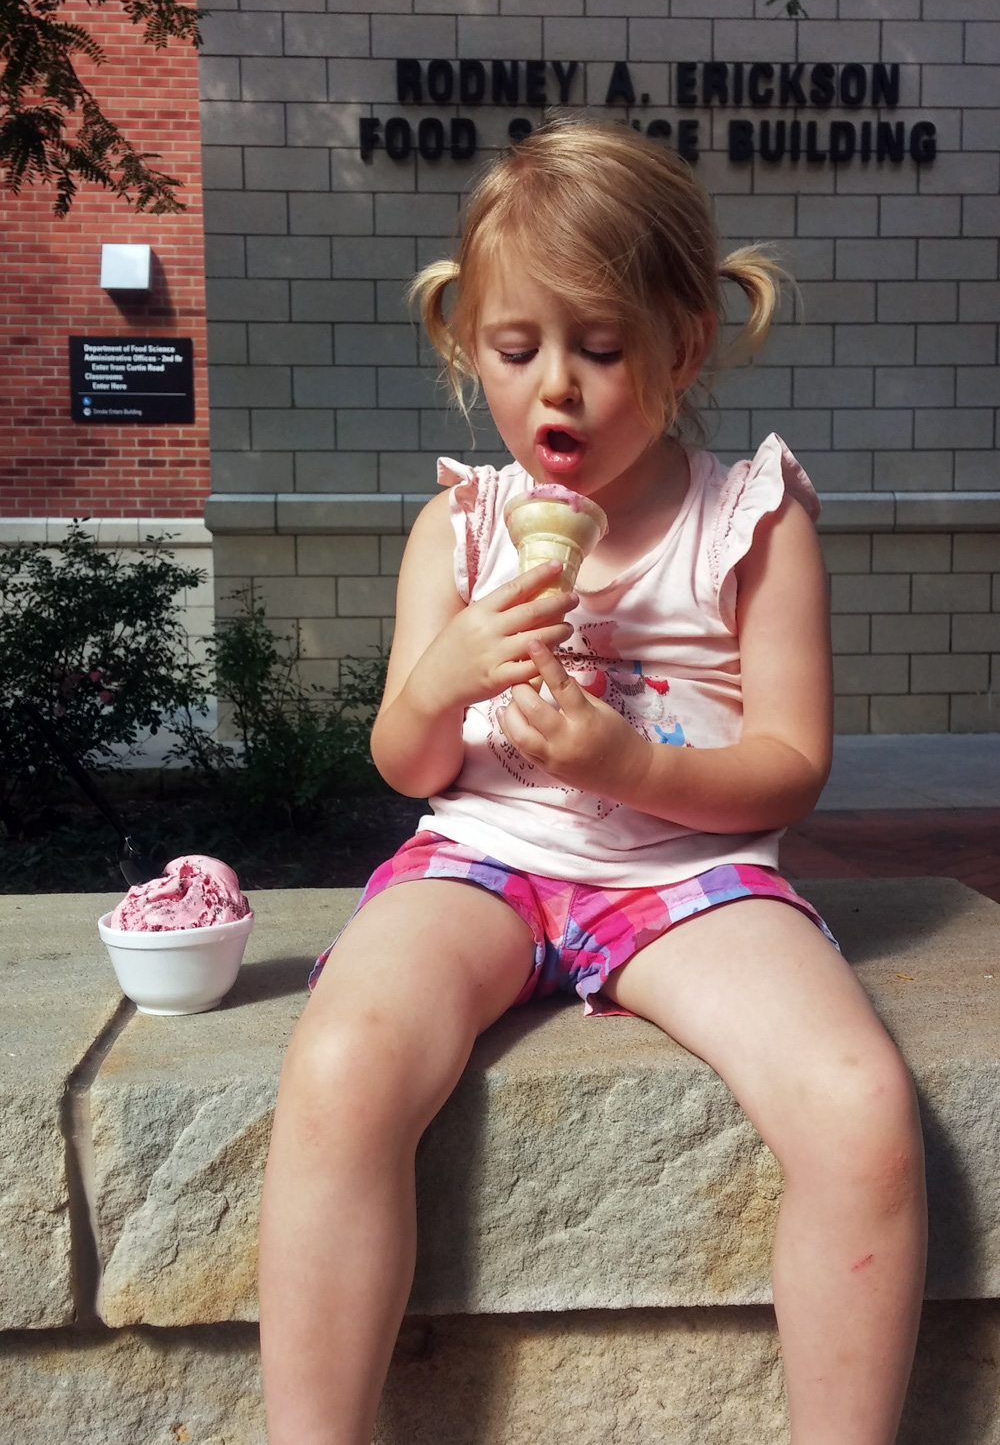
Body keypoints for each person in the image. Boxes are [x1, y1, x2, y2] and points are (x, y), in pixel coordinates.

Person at [258, 120, 926, 1445]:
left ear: (686, 348)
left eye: (602, 350)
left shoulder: (752, 517)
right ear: (466, 347)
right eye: (518, 352)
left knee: (861, 1111)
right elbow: (408, 762)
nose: (555, 390)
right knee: (341, 1064)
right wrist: (448, 673)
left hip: (685, 878)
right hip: (485, 859)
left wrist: (629, 763)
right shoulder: (458, 529)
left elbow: (790, 768)